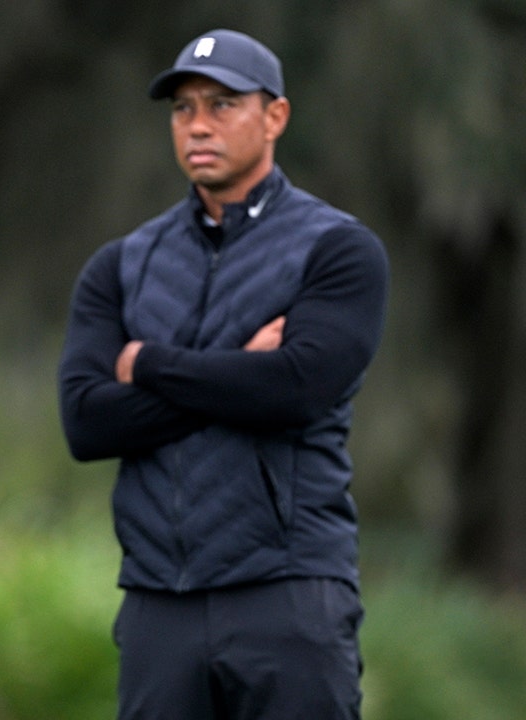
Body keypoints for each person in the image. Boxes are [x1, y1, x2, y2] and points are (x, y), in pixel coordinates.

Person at [57, 29, 389, 719]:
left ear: (276, 117)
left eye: (222, 103)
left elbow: (299, 390)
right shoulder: (121, 264)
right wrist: (242, 373)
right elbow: (87, 423)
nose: (198, 125)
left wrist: (145, 364)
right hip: (157, 603)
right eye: (182, 109)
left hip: (289, 592)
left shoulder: (338, 249)